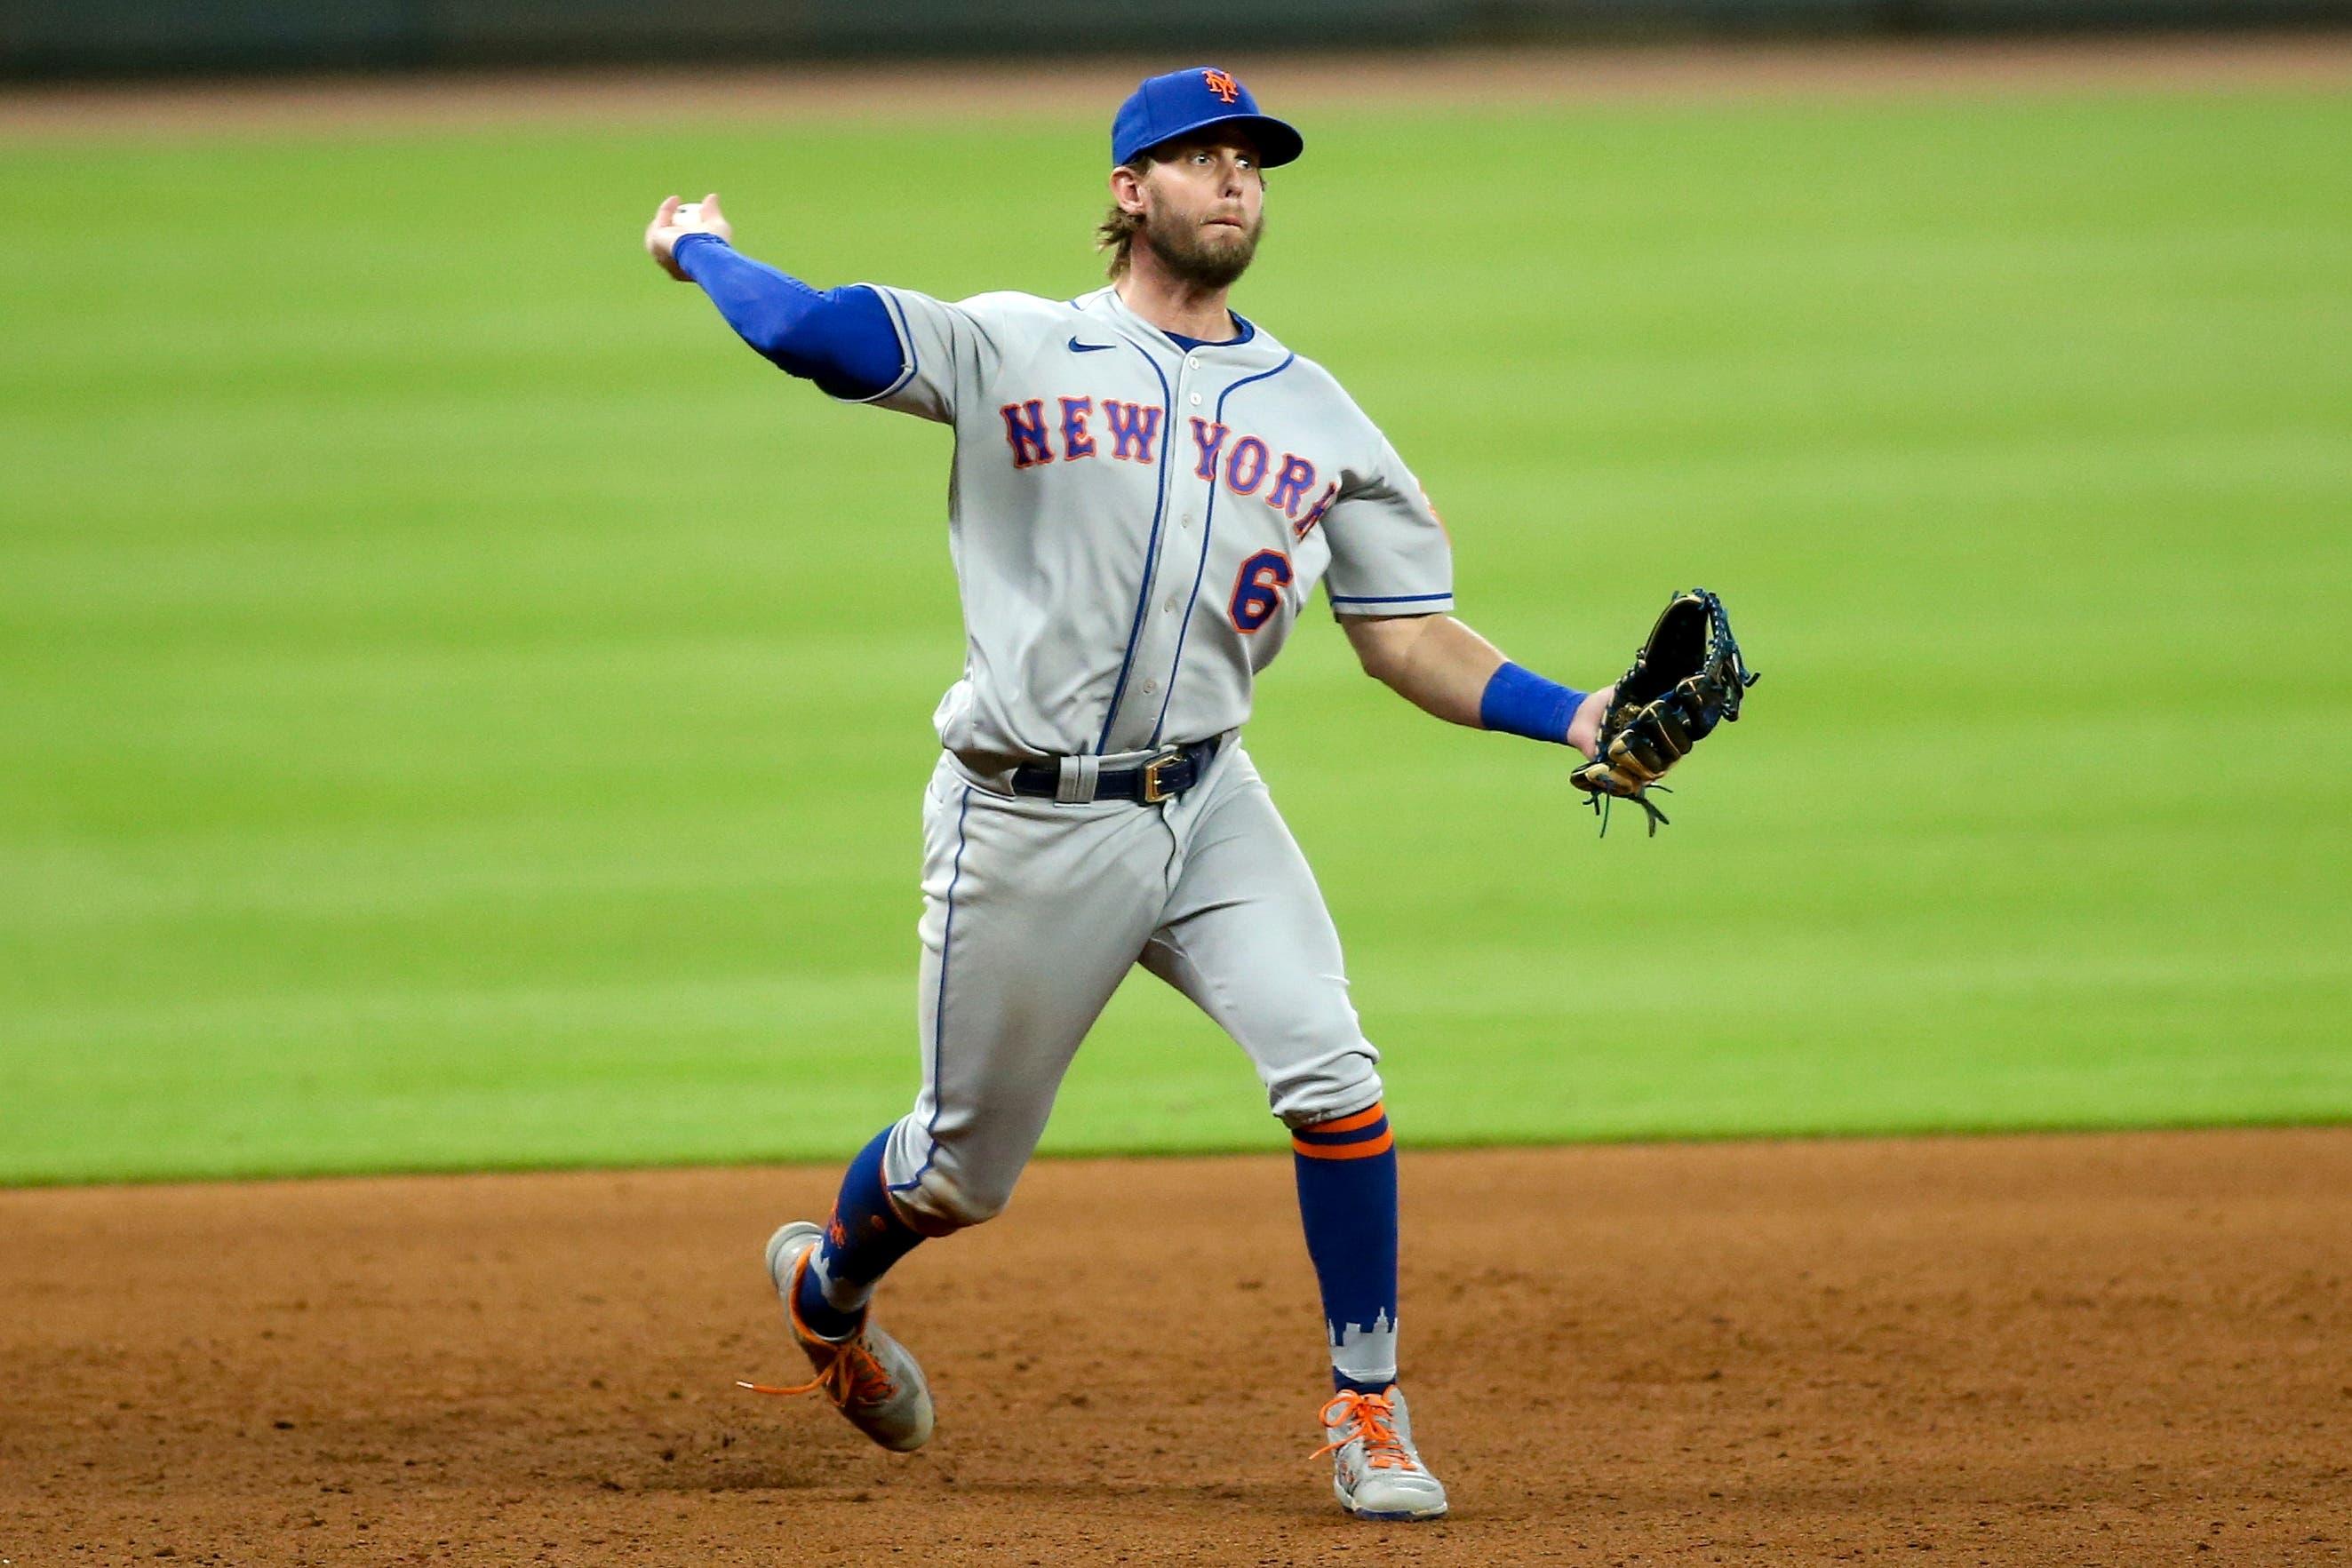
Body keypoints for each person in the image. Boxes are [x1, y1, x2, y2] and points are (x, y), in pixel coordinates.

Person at [644, 65, 1611, 1523]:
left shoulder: (1321, 415)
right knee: (960, 1172)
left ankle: (1368, 1406)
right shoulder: (1014, 346)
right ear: (1127, 191)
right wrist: (704, 246)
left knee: (1335, 1075)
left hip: (1212, 803)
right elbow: (806, 330)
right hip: (1023, 818)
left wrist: (1579, 716)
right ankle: (826, 1291)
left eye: (1254, 161)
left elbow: (1405, 633)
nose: (1234, 179)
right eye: (1200, 156)